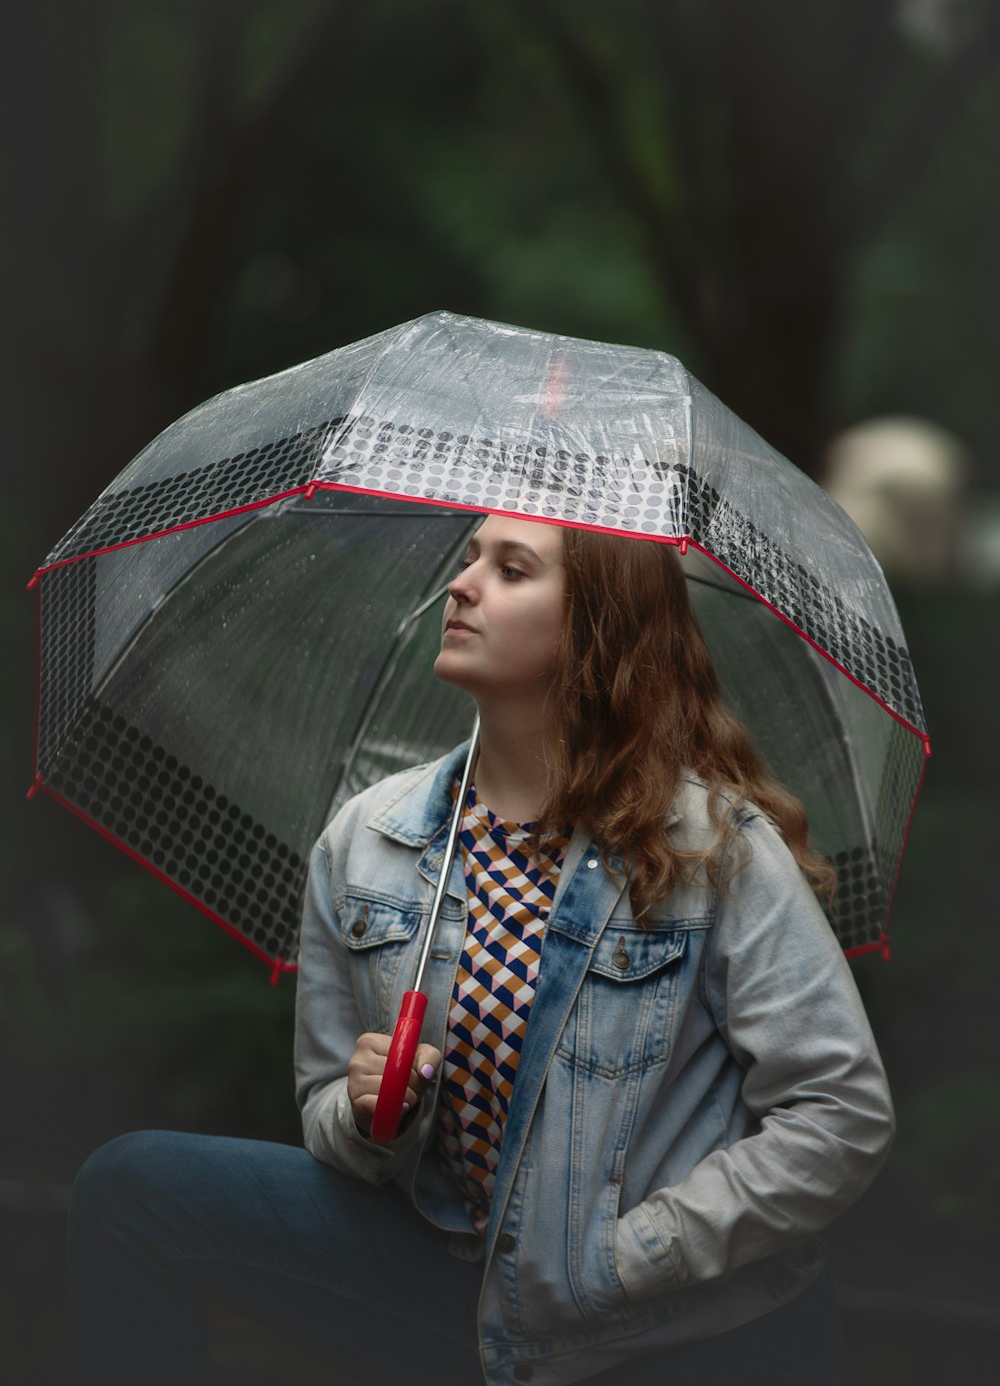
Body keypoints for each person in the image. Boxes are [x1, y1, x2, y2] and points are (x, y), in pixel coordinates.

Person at [68, 514, 892, 1386]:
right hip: (455, 1273)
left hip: (675, 1330)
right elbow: (321, 1107)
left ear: (592, 625)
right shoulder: (369, 841)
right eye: (468, 562)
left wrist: (632, 1255)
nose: (460, 587)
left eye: (511, 569)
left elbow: (838, 1114)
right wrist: (364, 1117)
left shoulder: (711, 847)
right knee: (134, 1192)